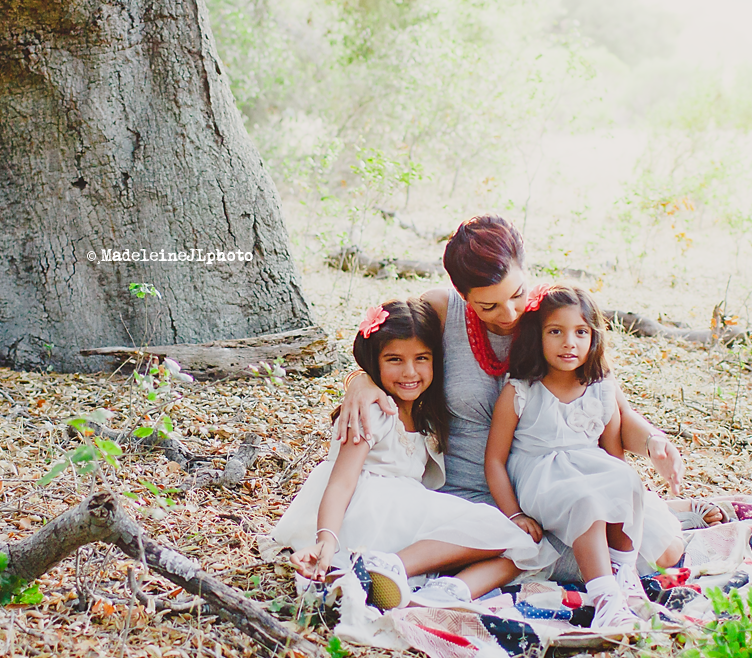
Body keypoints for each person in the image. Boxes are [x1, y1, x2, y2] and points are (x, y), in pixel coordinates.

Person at [335, 216, 686, 573]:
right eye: (488, 306)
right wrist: (362, 381)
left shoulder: (557, 318)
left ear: (526, 269)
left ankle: (676, 512)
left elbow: (611, 406)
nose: (510, 313)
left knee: (662, 552)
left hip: (560, 487)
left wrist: (655, 440)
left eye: (517, 294)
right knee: (578, 561)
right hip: (473, 493)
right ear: (462, 294)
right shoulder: (443, 309)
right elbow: (391, 350)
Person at [273, 298, 550, 609]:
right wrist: (326, 538)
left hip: (404, 516)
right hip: (369, 512)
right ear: (373, 361)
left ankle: (448, 592)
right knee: (506, 534)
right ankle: (387, 567)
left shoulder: (425, 415)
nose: (409, 371)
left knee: (522, 548)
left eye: (422, 358)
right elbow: (341, 481)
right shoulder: (371, 411)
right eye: (394, 359)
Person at [483, 284, 655, 630]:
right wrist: (514, 513)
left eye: (581, 332)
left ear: (594, 337)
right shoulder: (520, 391)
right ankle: (606, 599)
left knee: (627, 482)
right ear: (537, 336)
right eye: (555, 332)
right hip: (540, 476)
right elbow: (495, 461)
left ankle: (624, 573)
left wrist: (622, 491)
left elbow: (613, 457)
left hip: (588, 466)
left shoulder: (601, 389)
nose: (569, 343)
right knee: (586, 501)